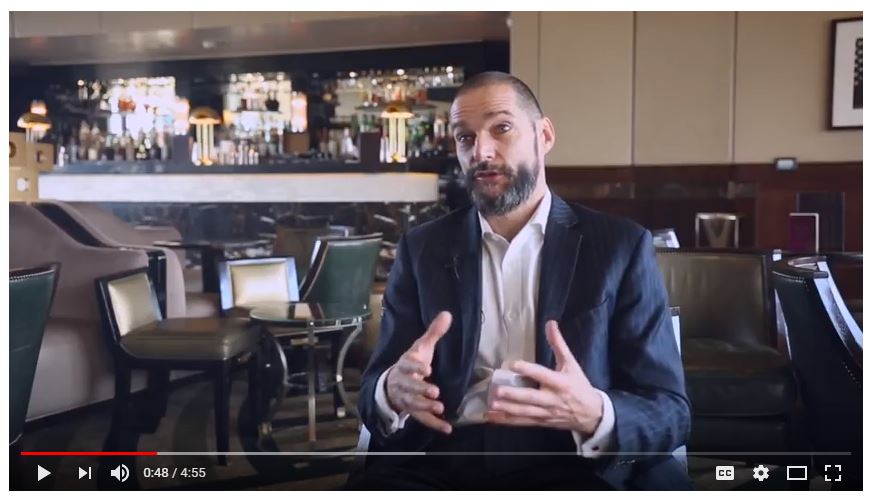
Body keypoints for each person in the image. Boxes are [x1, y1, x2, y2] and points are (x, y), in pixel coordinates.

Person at [348, 72, 691, 490]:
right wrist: (391, 390)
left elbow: (670, 412)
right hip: (444, 461)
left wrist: (595, 414)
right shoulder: (422, 249)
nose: (481, 151)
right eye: (465, 137)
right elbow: (373, 394)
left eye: (502, 128)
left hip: (573, 460)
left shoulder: (619, 247)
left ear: (544, 136)